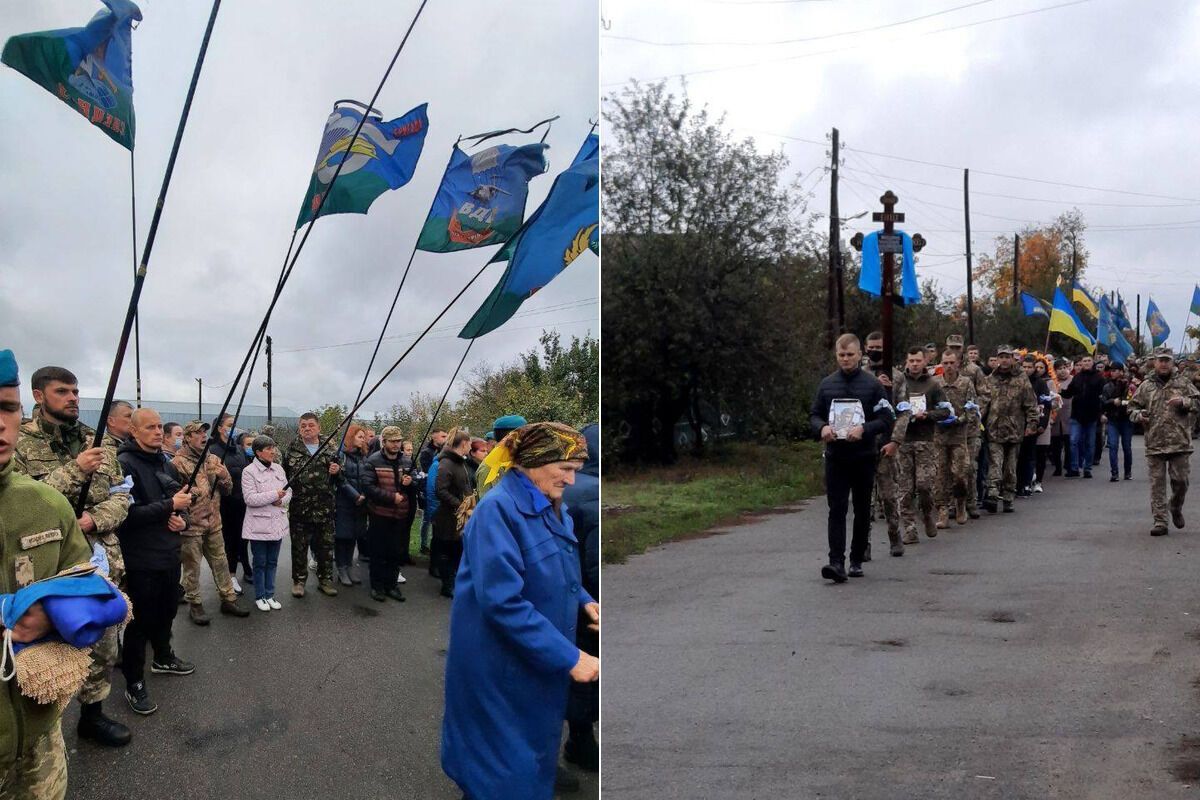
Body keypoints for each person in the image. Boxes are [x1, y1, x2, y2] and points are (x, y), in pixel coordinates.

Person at [440, 422, 598, 800]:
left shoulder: (551, 505)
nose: (571, 480)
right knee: (498, 774)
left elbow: (557, 564)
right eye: (565, 468)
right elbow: (502, 601)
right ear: (535, 461)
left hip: (531, 663)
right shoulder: (497, 511)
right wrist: (570, 656)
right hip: (498, 667)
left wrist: (584, 601)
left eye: (575, 469)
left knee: (525, 760)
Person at [13, 366, 131, 749]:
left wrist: (93, 519)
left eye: (76, 391)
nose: (73, 398)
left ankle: (93, 715)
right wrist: (73, 471)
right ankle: (37, 734)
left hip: (98, 560)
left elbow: (120, 494)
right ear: (38, 395)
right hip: (45, 570)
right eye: (63, 391)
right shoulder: (18, 442)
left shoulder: (94, 441)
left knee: (102, 644)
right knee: (41, 653)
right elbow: (19, 502)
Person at [0, 349, 97, 799]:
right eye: (64, 391)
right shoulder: (37, 458)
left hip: (37, 730)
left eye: (6, 408)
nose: (1, 424)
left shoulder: (43, 504)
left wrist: (56, 616)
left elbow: (87, 582)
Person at [116, 408, 196, 716]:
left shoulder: (166, 463)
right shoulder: (124, 464)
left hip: (169, 554)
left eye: (159, 426)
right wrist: (169, 507)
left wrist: (182, 520)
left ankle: (163, 656)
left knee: (168, 610)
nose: (156, 431)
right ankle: (134, 680)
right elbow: (125, 515)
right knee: (140, 621)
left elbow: (181, 503)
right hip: (141, 558)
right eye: (149, 427)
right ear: (134, 432)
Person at [809, 334, 895, 581]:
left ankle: (857, 558)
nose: (845, 359)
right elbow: (814, 415)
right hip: (836, 456)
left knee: (861, 508)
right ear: (836, 356)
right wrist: (822, 428)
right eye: (841, 355)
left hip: (863, 456)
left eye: (850, 355)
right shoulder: (827, 385)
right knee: (836, 508)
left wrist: (864, 429)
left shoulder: (872, 385)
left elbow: (886, 418)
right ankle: (836, 562)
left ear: (859, 355)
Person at [171, 421, 248, 624]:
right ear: (187, 438)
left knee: (221, 562)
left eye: (205, 432)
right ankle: (195, 604)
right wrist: (195, 492)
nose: (203, 435)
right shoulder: (177, 463)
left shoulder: (213, 459)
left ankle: (228, 599)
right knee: (192, 567)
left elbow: (228, 488)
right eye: (197, 433)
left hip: (214, 522)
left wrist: (224, 476)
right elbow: (174, 494)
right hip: (191, 526)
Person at [1129, 347, 1200, 536]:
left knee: (1181, 482)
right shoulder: (1146, 385)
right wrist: (1138, 415)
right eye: (1160, 360)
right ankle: (1160, 521)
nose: (1163, 364)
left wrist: (1184, 402)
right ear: (1154, 362)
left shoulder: (1184, 383)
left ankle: (1175, 506)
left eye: (1167, 360)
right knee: (1157, 484)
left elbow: (1197, 403)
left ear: (1173, 362)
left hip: (1180, 442)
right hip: (1155, 442)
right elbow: (1132, 407)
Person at [561, 423, 599, 775]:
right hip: (580, 607)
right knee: (584, 673)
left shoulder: (565, 492)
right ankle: (581, 743)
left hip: (566, 601)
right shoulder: (591, 494)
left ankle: (579, 740)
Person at [890, 347, 950, 543]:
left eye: (918, 360)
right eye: (911, 360)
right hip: (904, 441)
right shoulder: (900, 383)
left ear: (925, 362)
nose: (914, 364)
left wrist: (928, 415)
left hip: (925, 441)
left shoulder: (933, 385)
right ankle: (909, 528)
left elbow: (946, 411)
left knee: (924, 485)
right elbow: (889, 407)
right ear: (906, 361)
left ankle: (927, 514)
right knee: (905, 489)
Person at [282, 412, 341, 598]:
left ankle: (325, 579)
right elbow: (283, 477)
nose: (307, 428)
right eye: (303, 426)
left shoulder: (331, 450)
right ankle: (299, 581)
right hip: (300, 508)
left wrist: (337, 471)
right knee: (299, 547)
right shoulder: (291, 450)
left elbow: (342, 479)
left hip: (325, 508)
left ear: (319, 427)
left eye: (311, 425)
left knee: (325, 546)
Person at [978, 345, 1038, 513]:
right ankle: (992, 493)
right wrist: (976, 420)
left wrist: (1032, 423)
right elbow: (983, 403)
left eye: (1007, 357)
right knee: (995, 464)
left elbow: (1030, 403)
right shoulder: (990, 379)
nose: (1004, 360)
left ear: (1013, 358)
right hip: (994, 429)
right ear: (997, 359)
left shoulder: (1021, 378)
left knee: (1010, 468)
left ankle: (1008, 496)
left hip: (1014, 430)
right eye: (1001, 357)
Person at [361, 426, 414, 602]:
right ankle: (377, 586)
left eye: (399, 441)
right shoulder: (373, 460)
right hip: (379, 514)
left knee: (395, 552)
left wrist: (410, 481)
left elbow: (415, 481)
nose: (396, 444)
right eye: (392, 441)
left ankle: (391, 585)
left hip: (400, 516)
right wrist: (391, 497)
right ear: (384, 442)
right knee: (378, 552)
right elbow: (368, 487)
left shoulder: (406, 461)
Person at [241, 435, 291, 611]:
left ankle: (270, 594)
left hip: (277, 523)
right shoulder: (249, 471)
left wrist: (283, 501)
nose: (273, 451)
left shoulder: (278, 468)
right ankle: (260, 595)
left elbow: (288, 490)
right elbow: (250, 498)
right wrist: (275, 495)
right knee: (260, 562)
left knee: (273, 561)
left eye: (273, 447)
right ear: (258, 452)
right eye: (269, 448)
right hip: (259, 526)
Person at [210, 414, 253, 594]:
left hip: (241, 502)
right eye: (229, 424)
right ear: (220, 428)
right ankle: (228, 577)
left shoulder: (238, 449)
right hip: (223, 504)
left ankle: (237, 571)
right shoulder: (212, 450)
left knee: (240, 539)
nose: (234, 427)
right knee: (226, 541)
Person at [934, 349, 976, 526]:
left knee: (960, 474)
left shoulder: (966, 383)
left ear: (958, 363)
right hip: (939, 437)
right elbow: (927, 406)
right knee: (940, 476)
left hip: (959, 436)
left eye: (952, 363)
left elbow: (972, 409)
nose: (949, 366)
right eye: (945, 363)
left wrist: (959, 420)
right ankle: (943, 511)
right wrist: (934, 417)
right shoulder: (935, 383)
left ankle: (960, 504)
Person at [433, 428, 473, 598]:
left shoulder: (461, 462)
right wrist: (460, 505)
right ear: (464, 443)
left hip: (460, 516)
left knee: (457, 550)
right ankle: (446, 583)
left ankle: (454, 579)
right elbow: (440, 490)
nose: (470, 447)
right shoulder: (446, 463)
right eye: (469, 443)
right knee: (447, 550)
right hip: (448, 517)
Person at [334, 424, 371, 586]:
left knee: (354, 536)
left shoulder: (364, 457)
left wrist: (365, 494)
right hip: (344, 502)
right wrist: (355, 495)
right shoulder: (340, 455)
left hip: (360, 504)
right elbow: (340, 479)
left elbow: (367, 477)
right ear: (351, 437)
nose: (363, 440)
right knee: (342, 537)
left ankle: (349, 566)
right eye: (359, 437)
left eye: (364, 437)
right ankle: (341, 568)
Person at [1061, 354, 1105, 478]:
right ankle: (1075, 468)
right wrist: (1059, 391)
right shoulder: (1077, 377)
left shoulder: (1099, 378)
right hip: (1077, 415)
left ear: (1093, 362)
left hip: (1092, 415)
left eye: (1088, 361)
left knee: (1090, 443)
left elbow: (1103, 397)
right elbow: (1069, 393)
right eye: (1084, 361)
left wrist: (1101, 413)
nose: (1086, 363)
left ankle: (1087, 468)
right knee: (1073, 441)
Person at [417, 428, 448, 556]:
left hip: (438, 489)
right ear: (434, 437)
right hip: (427, 488)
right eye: (442, 436)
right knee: (427, 518)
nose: (445, 439)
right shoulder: (426, 452)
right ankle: (424, 544)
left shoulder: (442, 451)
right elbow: (427, 472)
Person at [1103, 363, 1134, 481]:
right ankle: (1114, 473)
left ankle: (1128, 472)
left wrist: (1122, 402)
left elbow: (1133, 401)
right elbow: (1103, 402)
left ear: (1122, 371)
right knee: (1113, 446)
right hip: (1113, 420)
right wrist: (1112, 401)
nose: (1113, 373)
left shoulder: (1130, 385)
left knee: (1126, 447)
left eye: (1116, 370)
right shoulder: (1107, 386)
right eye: (1112, 371)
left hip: (1126, 420)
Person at [1049, 358, 1074, 476]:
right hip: (1055, 416)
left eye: (1064, 368)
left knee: (1069, 444)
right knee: (1055, 445)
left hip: (1069, 416)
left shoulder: (1073, 380)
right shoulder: (1052, 382)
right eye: (1059, 369)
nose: (1063, 371)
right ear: (1055, 370)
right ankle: (1057, 467)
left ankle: (1069, 466)